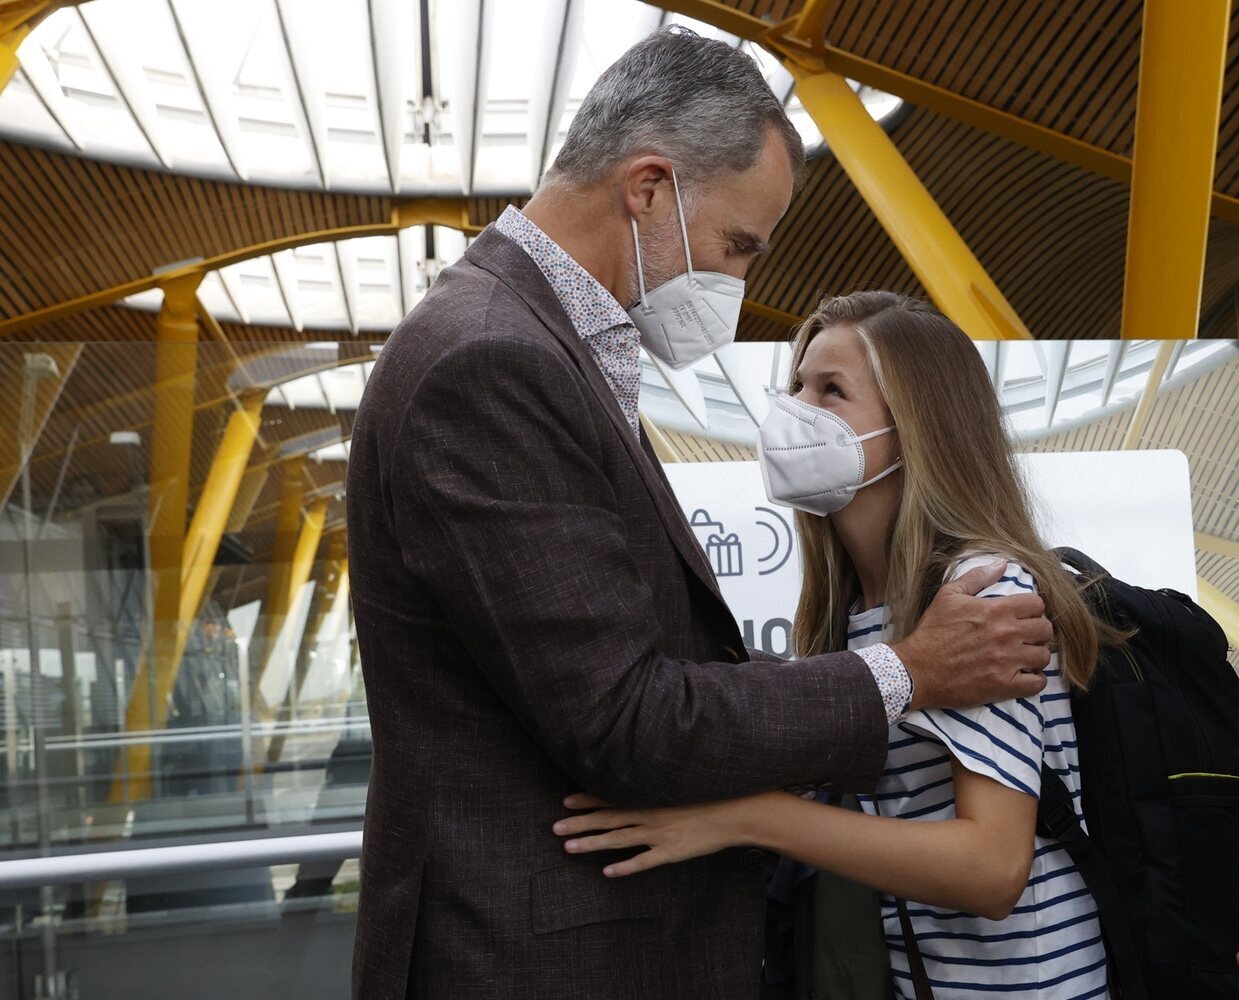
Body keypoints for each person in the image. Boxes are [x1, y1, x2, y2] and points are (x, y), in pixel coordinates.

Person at [344, 34, 1055, 999]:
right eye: (737, 244)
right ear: (648, 188)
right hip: (543, 956)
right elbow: (627, 717)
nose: (738, 282)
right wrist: (910, 670)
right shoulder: (491, 361)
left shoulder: (529, 345)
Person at [552, 291, 1120, 1000]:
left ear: (917, 426)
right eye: (796, 385)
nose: (794, 410)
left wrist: (740, 820)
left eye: (831, 390)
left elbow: (992, 868)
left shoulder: (981, 596)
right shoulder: (851, 610)